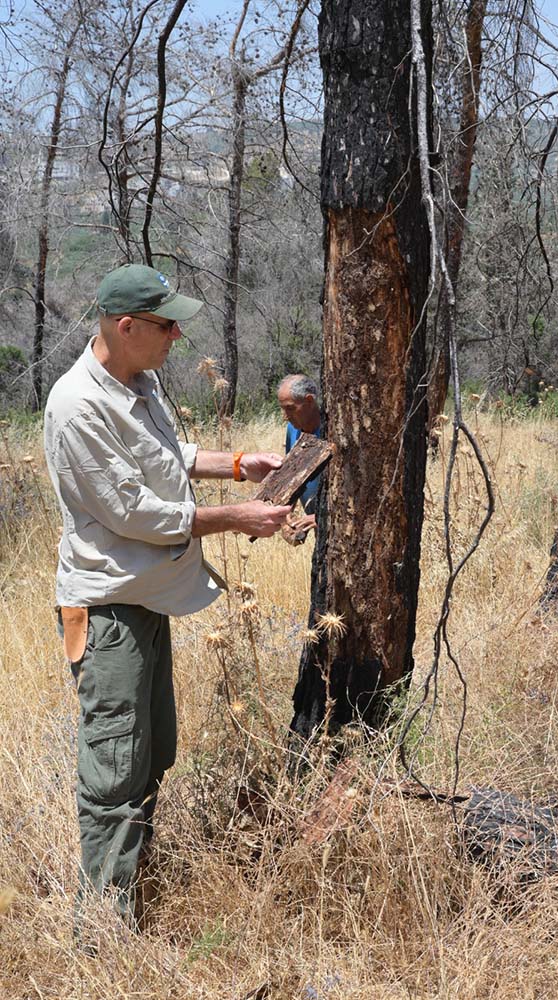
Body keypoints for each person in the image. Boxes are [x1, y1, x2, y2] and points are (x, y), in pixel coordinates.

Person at [43, 263, 291, 932]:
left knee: (153, 753)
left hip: (147, 599)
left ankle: (131, 896)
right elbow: (137, 513)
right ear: (126, 327)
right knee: (115, 771)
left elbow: (165, 453)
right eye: (165, 323)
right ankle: (101, 934)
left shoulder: (138, 381)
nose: (178, 334)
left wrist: (241, 464)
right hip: (105, 608)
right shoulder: (76, 406)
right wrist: (239, 515)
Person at [276, 374, 322, 540]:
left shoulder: (333, 429)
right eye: (282, 408)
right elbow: (292, 475)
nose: (285, 415)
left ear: (309, 401)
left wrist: (322, 518)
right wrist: (286, 513)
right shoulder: (292, 429)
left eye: (290, 408)